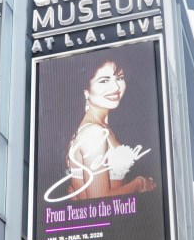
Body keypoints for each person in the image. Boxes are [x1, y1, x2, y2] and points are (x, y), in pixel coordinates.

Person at [66, 59, 157, 200]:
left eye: (119, 78)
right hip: (108, 220)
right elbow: (99, 199)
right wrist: (140, 183)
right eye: (104, 81)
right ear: (86, 91)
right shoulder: (94, 133)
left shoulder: (100, 126)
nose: (115, 87)